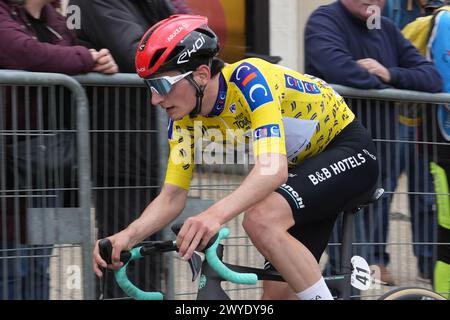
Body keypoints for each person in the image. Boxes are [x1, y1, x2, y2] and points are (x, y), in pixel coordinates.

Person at [92, 14, 379, 300]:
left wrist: (213, 216)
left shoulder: (249, 80)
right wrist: (126, 236)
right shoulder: (183, 120)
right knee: (277, 296)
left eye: (162, 86)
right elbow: (172, 196)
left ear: (202, 75)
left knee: (260, 220)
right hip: (304, 169)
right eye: (149, 87)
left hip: (348, 151)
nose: (155, 99)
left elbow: (272, 169)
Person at [304, 0, 443, 285]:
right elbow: (340, 71)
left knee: (352, 257)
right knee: (348, 250)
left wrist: (389, 73)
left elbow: (431, 78)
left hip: (376, 158)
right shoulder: (324, 21)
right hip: (333, 157)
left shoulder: (385, 27)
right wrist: (395, 87)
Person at [0, 0, 117, 299]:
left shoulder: (55, 19)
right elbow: (23, 52)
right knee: (12, 266)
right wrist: (87, 59)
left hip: (44, 161)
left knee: (39, 263)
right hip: (8, 164)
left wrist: (94, 61)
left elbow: (60, 55)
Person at [68, 0, 184, 299]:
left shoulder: (147, 3)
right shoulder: (98, 3)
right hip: (118, 146)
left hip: (147, 146)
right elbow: (143, 53)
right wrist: (176, 41)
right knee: (122, 251)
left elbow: (192, 32)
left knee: (148, 251)